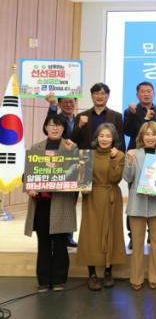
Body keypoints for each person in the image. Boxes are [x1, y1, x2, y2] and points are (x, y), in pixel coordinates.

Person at [23, 114, 80, 292]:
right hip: (41, 204)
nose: (55, 128)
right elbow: (27, 175)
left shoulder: (71, 147)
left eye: (58, 125)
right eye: (51, 125)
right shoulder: (36, 148)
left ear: (64, 128)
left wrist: (70, 153)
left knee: (61, 243)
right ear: (45, 127)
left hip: (62, 202)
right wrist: (29, 188)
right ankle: (43, 280)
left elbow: (79, 173)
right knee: (44, 243)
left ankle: (59, 280)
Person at [77, 123, 126, 291]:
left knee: (111, 231)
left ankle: (108, 271)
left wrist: (113, 159)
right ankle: (91, 274)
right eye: (101, 136)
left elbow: (115, 178)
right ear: (96, 137)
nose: (104, 139)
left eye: (108, 136)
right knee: (91, 233)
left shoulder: (119, 155)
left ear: (113, 139)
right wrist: (82, 186)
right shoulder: (86, 155)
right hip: (92, 197)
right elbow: (82, 181)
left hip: (111, 196)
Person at [123, 121, 156, 290]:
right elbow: (127, 178)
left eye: (153, 134)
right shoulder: (133, 153)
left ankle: (155, 276)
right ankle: (136, 278)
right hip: (137, 204)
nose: (150, 137)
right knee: (137, 243)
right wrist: (128, 161)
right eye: (147, 134)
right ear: (141, 137)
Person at [45, 92, 79, 247]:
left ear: (76, 103)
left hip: (75, 166)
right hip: (58, 164)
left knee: (70, 203)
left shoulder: (81, 119)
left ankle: (68, 236)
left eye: (71, 102)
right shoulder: (57, 118)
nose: (68, 105)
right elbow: (48, 125)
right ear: (59, 104)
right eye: (64, 102)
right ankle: (55, 236)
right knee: (56, 202)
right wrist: (52, 106)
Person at [71, 82, 124, 151]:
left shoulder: (117, 116)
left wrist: (119, 154)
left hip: (108, 155)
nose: (99, 96)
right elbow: (73, 140)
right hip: (87, 155)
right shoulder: (81, 116)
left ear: (108, 96)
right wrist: (80, 126)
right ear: (91, 96)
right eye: (96, 93)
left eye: (102, 93)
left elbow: (120, 141)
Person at [123, 81, 156, 150]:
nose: (146, 94)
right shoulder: (130, 111)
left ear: (154, 94)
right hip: (135, 149)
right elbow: (128, 132)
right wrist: (145, 118)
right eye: (142, 92)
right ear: (137, 95)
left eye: (149, 91)